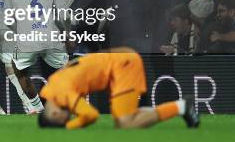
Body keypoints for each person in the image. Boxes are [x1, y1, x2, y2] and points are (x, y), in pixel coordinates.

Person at [38, 48, 200, 129]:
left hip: (123, 65)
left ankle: (182, 106)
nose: (69, 117)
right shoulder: (51, 87)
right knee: (122, 120)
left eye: (65, 118)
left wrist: (69, 127)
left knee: (125, 123)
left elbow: (91, 115)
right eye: (68, 120)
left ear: (54, 113)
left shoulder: (61, 92)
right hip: (119, 60)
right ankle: (181, 107)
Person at [4, 0, 69, 114]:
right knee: (65, 72)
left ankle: (38, 108)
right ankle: (71, 105)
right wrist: (68, 35)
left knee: (18, 70)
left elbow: (8, 19)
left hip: (27, 38)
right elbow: (62, 16)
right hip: (50, 36)